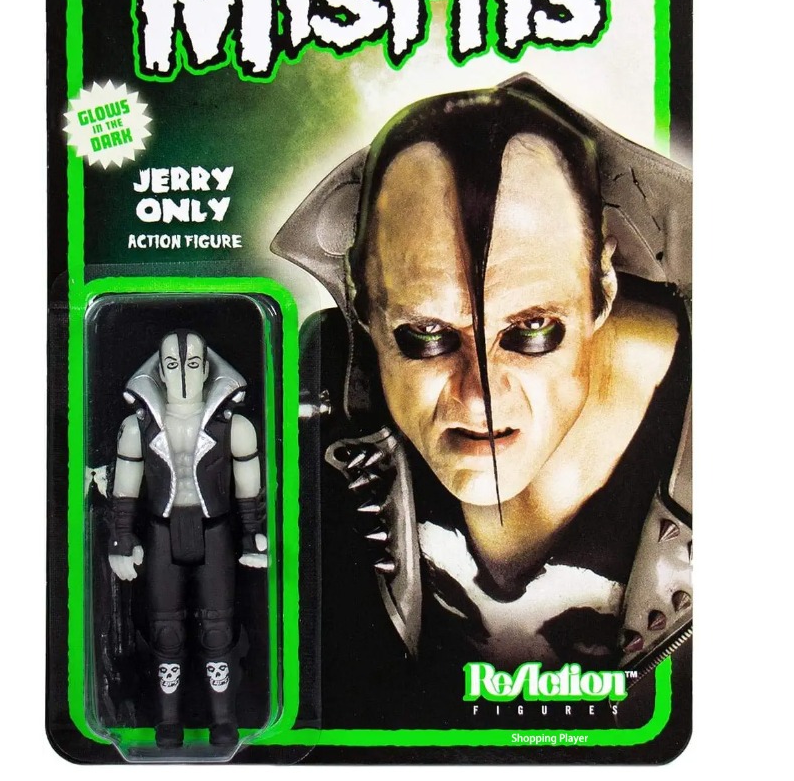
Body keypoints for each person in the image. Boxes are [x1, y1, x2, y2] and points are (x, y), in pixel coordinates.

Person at [273, 74, 691, 724]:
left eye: (531, 328)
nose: (481, 398)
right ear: (362, 303)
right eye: (427, 334)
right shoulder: (318, 402)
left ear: (602, 288)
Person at [107, 329, 267, 747]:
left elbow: (249, 484)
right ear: (160, 372)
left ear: (207, 369)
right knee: (166, 630)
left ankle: (224, 721)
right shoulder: (137, 427)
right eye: (173, 365)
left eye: (192, 364)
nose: (182, 374)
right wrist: (120, 537)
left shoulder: (235, 426)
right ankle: (167, 722)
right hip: (161, 531)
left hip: (215, 531)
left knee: (218, 628)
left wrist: (252, 533)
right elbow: (125, 485)